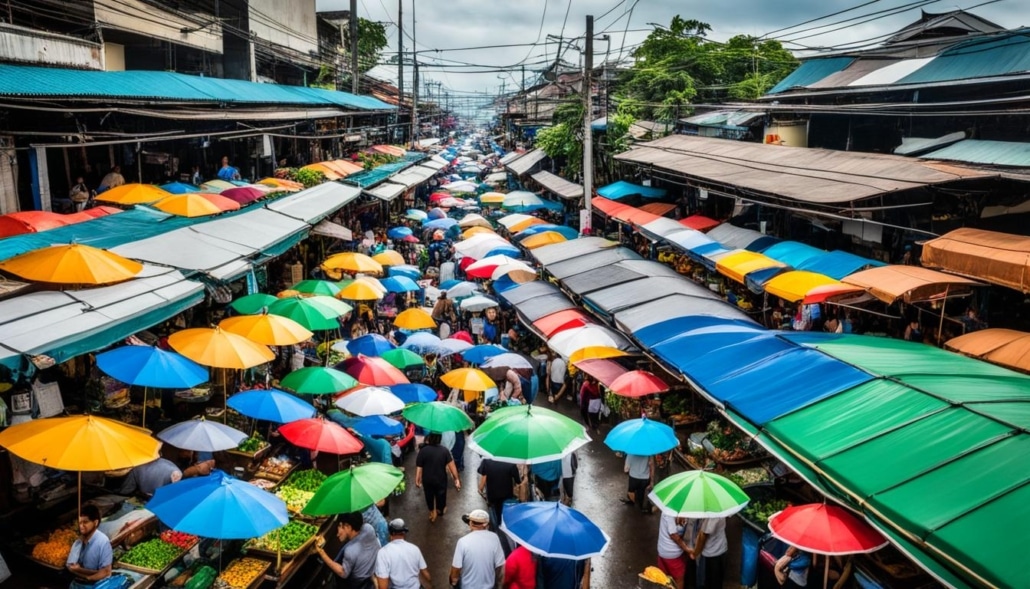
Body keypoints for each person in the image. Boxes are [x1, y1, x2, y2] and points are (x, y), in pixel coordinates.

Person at [316, 511, 380, 589]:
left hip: (356, 583)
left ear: (348, 527)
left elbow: (343, 573)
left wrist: (321, 552)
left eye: (340, 526)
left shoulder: (350, 551)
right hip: (369, 571)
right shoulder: (368, 528)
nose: (337, 533)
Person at [450, 509, 505, 589]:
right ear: (487, 525)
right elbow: (500, 567)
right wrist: (499, 584)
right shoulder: (494, 538)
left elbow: (456, 569)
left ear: (471, 524)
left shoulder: (462, 542)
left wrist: (454, 582)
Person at [415, 433, 461, 523]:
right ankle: (440, 509)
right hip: (441, 479)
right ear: (440, 439)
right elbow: (452, 466)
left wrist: (417, 479)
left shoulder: (423, 451)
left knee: (429, 495)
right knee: (441, 495)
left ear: (429, 438)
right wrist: (456, 479)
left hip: (427, 479)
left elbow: (419, 467)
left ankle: (432, 511)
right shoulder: (444, 451)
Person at [374, 519, 432, 589]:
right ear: (404, 533)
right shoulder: (415, 549)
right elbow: (426, 574)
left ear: (390, 534)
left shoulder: (383, 553)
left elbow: (383, 586)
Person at [67, 504, 113, 586]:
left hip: (95, 585)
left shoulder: (103, 542)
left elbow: (106, 572)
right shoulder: (78, 542)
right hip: (77, 583)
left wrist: (83, 573)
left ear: (95, 522)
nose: (81, 526)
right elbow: (70, 567)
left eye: (85, 522)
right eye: (80, 522)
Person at [478, 458, 522, 527]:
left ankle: (496, 526)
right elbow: (517, 480)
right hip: (506, 493)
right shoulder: (510, 463)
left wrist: (480, 488)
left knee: (494, 510)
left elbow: (484, 477)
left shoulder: (486, 461)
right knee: (504, 511)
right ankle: (503, 526)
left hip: (492, 493)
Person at [690, 517, 728, 589]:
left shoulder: (712, 517)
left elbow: (703, 536)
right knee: (717, 581)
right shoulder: (720, 512)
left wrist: (695, 553)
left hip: (712, 553)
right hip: (721, 548)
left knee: (710, 582)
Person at [118, 456, 183, 498]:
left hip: (147, 496)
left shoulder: (137, 465)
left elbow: (126, 490)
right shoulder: (170, 465)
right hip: (161, 497)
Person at [656, 514, 688, 589]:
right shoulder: (670, 513)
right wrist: (686, 548)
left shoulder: (671, 511)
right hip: (672, 554)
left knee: (665, 579)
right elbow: (673, 535)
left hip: (663, 550)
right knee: (678, 579)